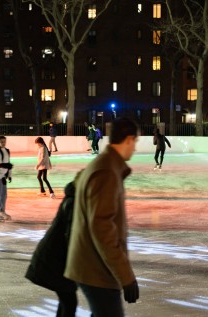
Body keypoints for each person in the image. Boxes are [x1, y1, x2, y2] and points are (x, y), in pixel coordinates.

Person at [65, 117, 139, 317]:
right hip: (96, 269)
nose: (135, 148)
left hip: (93, 264)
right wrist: (126, 276)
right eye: (136, 143)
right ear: (129, 139)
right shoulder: (107, 171)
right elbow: (102, 227)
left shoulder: (106, 165)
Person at [26, 178, 78, 317]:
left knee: (67, 300)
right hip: (53, 260)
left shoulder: (74, 200)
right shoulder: (73, 203)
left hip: (56, 259)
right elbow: (72, 235)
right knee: (69, 301)